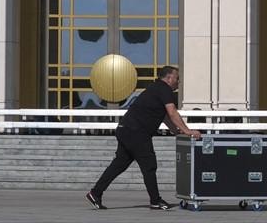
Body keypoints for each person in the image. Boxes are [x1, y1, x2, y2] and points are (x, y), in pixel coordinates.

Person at [86, 65, 201, 211]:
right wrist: (188, 131)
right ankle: (155, 200)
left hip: (125, 129)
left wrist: (176, 132)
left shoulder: (155, 88)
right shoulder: (164, 89)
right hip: (136, 132)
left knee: (119, 164)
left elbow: (165, 116)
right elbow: (172, 112)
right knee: (149, 165)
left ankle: (95, 193)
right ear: (169, 78)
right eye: (177, 78)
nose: (178, 82)